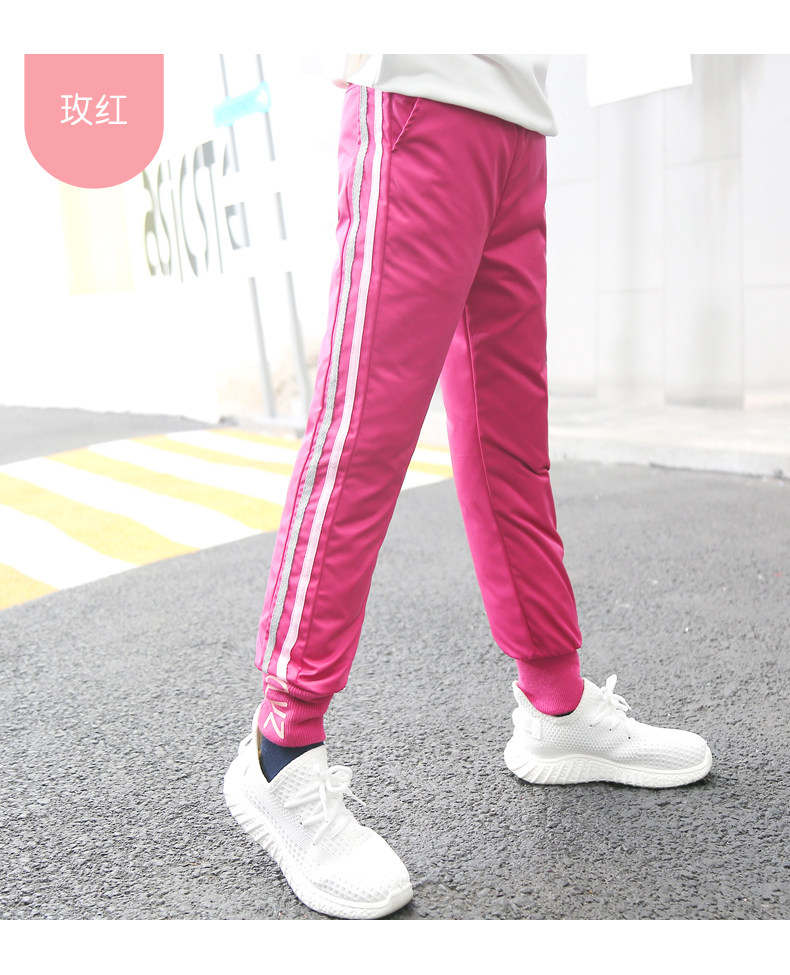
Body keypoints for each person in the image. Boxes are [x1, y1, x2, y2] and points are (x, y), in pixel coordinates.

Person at [222, 54, 713, 920]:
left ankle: (555, 703)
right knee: (364, 431)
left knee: (508, 440)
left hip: (518, 118)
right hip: (419, 92)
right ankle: (279, 748)